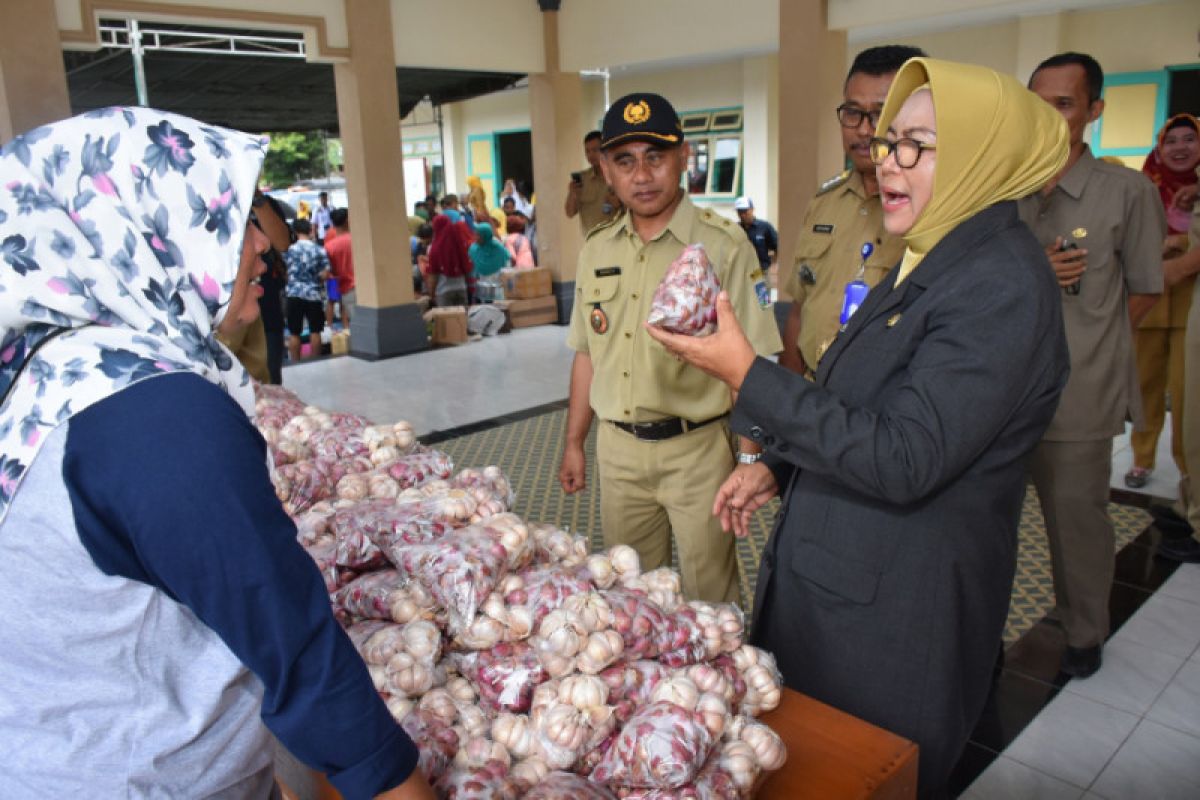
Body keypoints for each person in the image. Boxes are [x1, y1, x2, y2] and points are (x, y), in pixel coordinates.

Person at [646, 58, 1070, 797]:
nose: (888, 159)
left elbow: (908, 456)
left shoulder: (1000, 283)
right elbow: (874, 401)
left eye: (918, 144)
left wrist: (746, 372)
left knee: (862, 776)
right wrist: (778, 467)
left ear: (981, 156)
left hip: (893, 621)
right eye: (887, 139)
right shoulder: (933, 253)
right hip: (838, 589)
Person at [0, 107, 432, 799]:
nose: (263, 245)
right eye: (228, 222)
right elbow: (296, 652)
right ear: (142, 235)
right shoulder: (152, 415)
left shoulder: (51, 373)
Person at [557, 92, 782, 604]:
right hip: (618, 454)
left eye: (655, 157)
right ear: (606, 172)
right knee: (634, 601)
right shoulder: (597, 248)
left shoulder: (723, 245)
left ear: (683, 158)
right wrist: (575, 441)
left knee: (711, 599)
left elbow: (752, 368)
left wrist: (749, 462)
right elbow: (586, 352)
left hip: (698, 452)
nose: (642, 175)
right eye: (625, 161)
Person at [1019, 52, 1165, 678]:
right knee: (988, 521)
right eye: (1038, 103)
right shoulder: (1004, 191)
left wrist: (1094, 344)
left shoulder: (1125, 192)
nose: (1049, 117)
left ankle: (1084, 632)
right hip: (1003, 390)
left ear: (1094, 112)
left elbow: (1146, 287)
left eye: (1065, 104)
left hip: (1079, 393)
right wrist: (1032, 274)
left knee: (1076, 521)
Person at [779, 44, 925, 376]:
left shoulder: (932, 212)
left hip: (880, 406)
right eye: (852, 112)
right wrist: (786, 395)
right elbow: (801, 308)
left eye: (880, 113)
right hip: (812, 391)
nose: (862, 129)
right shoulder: (825, 201)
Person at [1126, 115, 1200, 489]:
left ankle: (1189, 466)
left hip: (1193, 306)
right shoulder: (1142, 188)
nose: (1181, 148)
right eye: (1171, 141)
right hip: (1149, 302)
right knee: (1144, 385)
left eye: (1190, 139)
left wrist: (1181, 244)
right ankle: (1141, 458)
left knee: (1190, 392)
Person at [284, 218, 331, 363]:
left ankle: (295, 362)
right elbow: (326, 273)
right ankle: (315, 360)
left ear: (295, 232)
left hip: (293, 293)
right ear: (310, 230)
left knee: (294, 332)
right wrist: (315, 279)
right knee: (315, 331)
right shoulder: (319, 249)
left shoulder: (289, 250)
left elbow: (284, 272)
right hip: (313, 295)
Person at [564, 130, 622, 234]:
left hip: (616, 239)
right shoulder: (582, 179)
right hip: (591, 242)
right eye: (587, 151)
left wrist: (619, 205)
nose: (591, 155)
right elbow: (570, 213)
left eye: (595, 150)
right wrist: (572, 194)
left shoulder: (618, 176)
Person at [426, 213, 471, 307]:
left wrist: (431, 295)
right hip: (461, 288)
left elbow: (433, 274)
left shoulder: (434, 248)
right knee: (462, 320)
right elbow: (466, 266)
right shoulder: (458, 243)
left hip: (444, 291)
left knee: (447, 320)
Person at [324, 207, 355, 328]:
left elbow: (328, 269)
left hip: (336, 281)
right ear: (347, 221)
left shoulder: (329, 245)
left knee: (334, 303)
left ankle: (330, 329)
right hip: (356, 284)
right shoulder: (357, 240)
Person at [732, 196, 778, 274]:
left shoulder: (765, 227)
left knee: (764, 286)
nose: (742, 215)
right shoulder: (735, 229)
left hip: (761, 271)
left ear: (752, 209)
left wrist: (776, 265)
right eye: (739, 212)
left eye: (745, 211)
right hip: (741, 273)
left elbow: (777, 246)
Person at [469, 221, 511, 303]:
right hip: (482, 290)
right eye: (475, 234)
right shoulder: (474, 249)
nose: (475, 237)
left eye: (478, 235)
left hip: (498, 291)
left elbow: (507, 269)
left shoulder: (499, 249)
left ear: (486, 235)